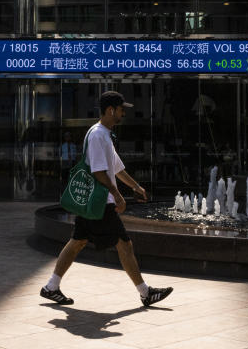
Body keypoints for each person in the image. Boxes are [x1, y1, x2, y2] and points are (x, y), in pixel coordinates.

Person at [41, 91, 173, 307]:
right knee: (124, 244)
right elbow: (99, 172)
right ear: (111, 110)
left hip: (96, 203)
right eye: (121, 109)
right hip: (100, 203)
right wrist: (118, 195)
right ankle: (145, 292)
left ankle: (51, 287)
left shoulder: (105, 135)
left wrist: (136, 186)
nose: (123, 113)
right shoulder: (97, 135)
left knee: (77, 242)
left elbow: (117, 168)